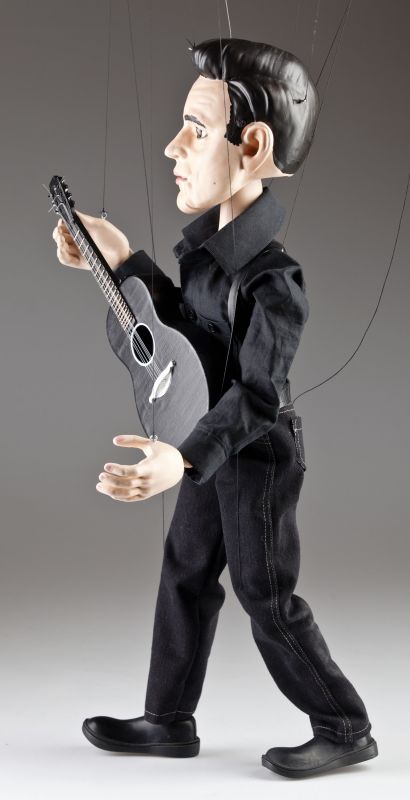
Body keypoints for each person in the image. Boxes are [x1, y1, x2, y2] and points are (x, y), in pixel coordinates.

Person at [52, 38, 378, 777]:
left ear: (252, 146)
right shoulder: (208, 256)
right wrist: (121, 261)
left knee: (266, 593)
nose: (174, 147)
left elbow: (258, 392)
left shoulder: (274, 283)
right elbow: (182, 333)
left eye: (196, 131)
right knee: (185, 571)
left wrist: (184, 457)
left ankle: (345, 723)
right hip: (205, 443)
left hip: (255, 453)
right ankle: (168, 719)